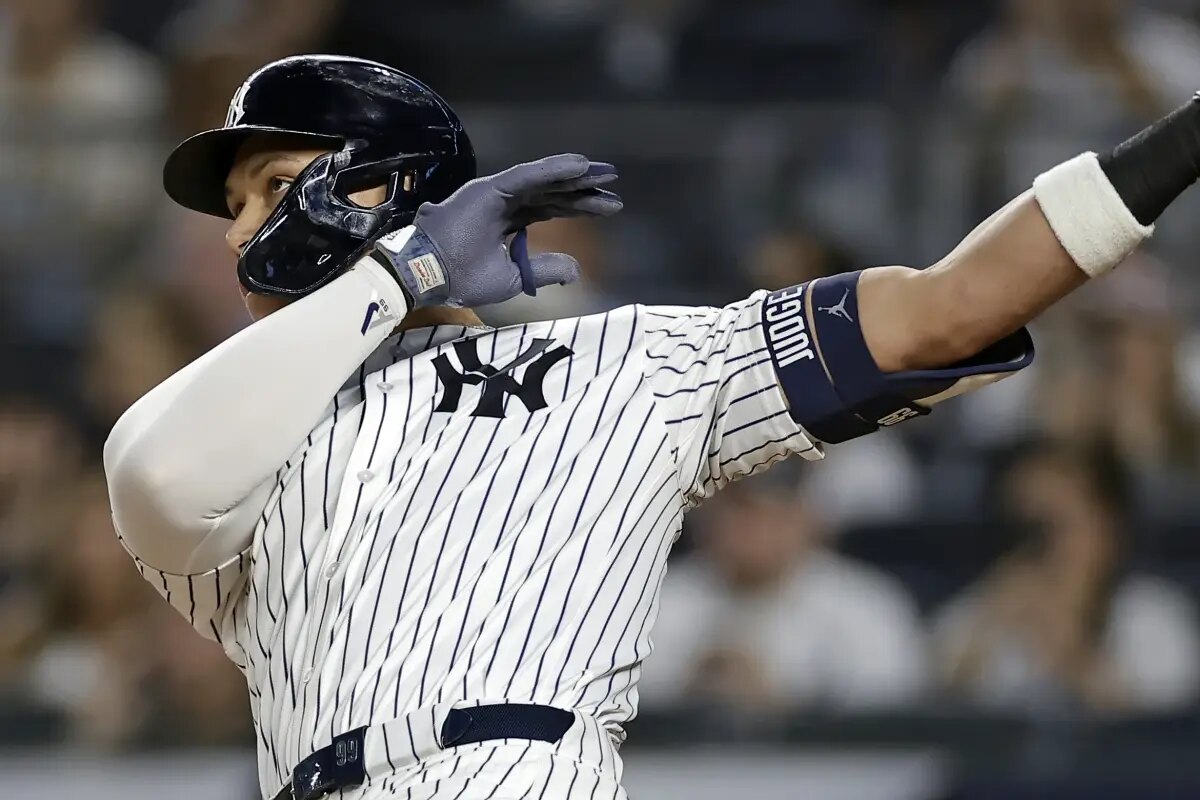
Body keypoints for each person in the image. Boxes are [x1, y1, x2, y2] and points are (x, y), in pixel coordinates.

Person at [104, 52, 1200, 800]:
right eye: (233, 207)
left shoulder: (632, 360)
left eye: (272, 186)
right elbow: (152, 476)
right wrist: (408, 272)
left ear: (381, 187)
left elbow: (949, 306)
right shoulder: (232, 437)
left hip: (518, 771)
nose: (239, 233)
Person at [934, 441, 1200, 714]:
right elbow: (936, 710)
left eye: (1060, 524)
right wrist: (987, 628)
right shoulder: (976, 613)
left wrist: (1070, 655)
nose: (1043, 546)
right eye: (1027, 528)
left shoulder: (1155, 616)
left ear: (1108, 530)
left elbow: (1159, 728)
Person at [640, 467, 926, 713]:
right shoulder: (653, 600)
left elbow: (890, 718)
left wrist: (783, 705)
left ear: (806, 518)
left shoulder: (866, 604)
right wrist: (690, 688)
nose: (754, 529)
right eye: (739, 510)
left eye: (772, 513)